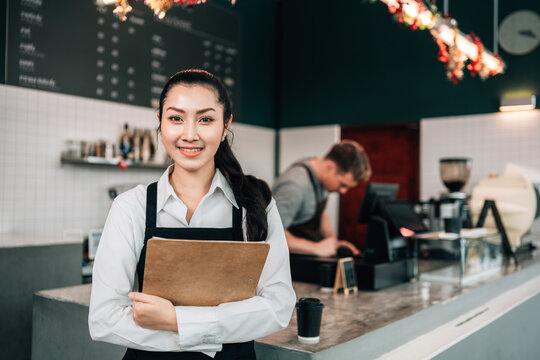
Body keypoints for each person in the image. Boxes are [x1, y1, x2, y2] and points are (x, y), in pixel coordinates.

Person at [89, 69, 296, 359]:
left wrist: (175, 321)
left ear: (226, 126)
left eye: (206, 119)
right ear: (160, 122)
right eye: (175, 118)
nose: (189, 134)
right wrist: (212, 334)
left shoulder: (256, 203)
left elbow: (278, 306)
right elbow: (104, 319)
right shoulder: (130, 207)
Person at [272, 140, 371, 257]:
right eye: (342, 184)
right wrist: (316, 248)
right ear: (330, 167)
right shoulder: (294, 186)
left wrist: (334, 242)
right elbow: (273, 234)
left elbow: (320, 213)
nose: (343, 191)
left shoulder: (321, 178)